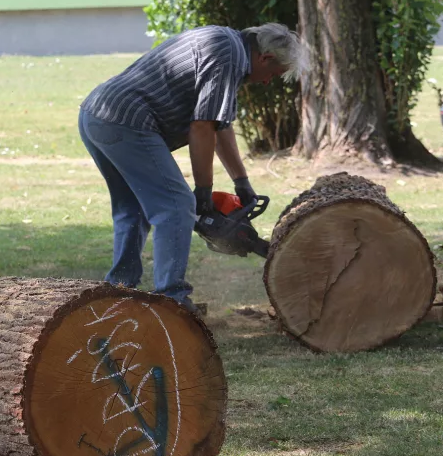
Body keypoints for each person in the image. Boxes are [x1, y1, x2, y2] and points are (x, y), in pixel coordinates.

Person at [78, 23, 307, 312]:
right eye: (272, 74)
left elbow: (220, 125)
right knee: (176, 206)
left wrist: (241, 181)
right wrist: (202, 190)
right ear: (265, 57)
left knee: (132, 208)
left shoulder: (227, 45)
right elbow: (202, 127)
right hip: (127, 120)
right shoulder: (228, 57)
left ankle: (119, 291)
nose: (266, 82)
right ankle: (172, 300)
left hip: (96, 115)